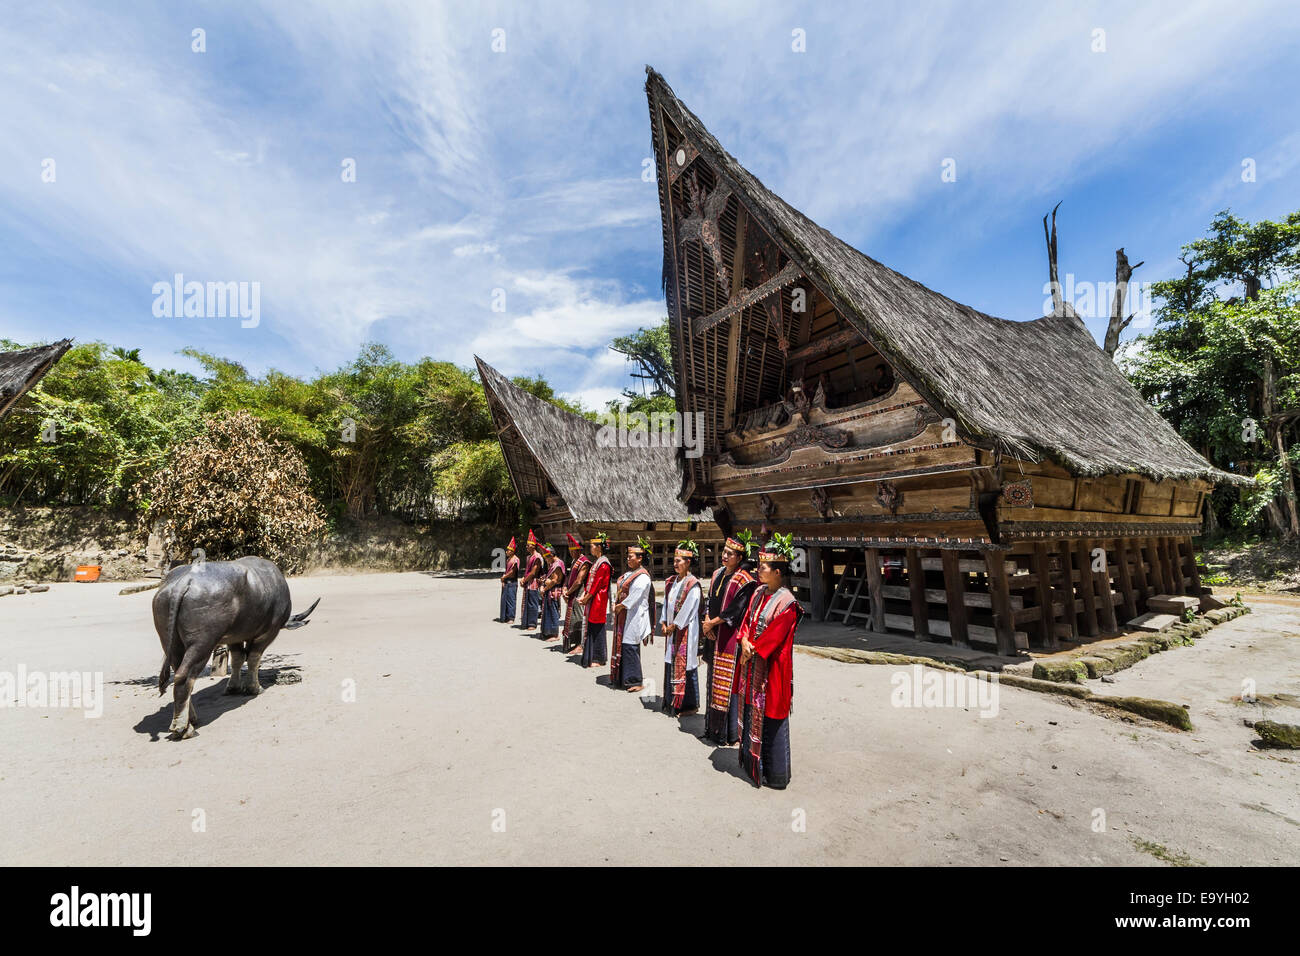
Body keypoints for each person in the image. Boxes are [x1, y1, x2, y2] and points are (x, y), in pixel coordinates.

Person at [735, 533, 804, 789]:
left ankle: (775, 773)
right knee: (752, 711)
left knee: (773, 716)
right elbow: (746, 622)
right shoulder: (758, 593)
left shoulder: (788, 604)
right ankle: (753, 763)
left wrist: (752, 649)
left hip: (771, 668)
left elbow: (774, 636)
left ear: (777, 571)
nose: (758, 570)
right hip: (750, 660)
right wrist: (743, 641)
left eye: (763, 567)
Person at [701, 532, 758, 744]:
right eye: (724, 552)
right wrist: (707, 621)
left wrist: (712, 623)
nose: (725, 556)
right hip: (712, 633)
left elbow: (735, 611)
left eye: (730, 553)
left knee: (728, 683)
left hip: (728, 636)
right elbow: (710, 600)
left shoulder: (745, 581)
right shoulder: (717, 574)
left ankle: (728, 733)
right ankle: (712, 729)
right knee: (712, 679)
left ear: (739, 557)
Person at [660, 540, 702, 716]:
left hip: (685, 631)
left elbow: (689, 608)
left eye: (680, 560)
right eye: (675, 560)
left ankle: (688, 705)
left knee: (686, 665)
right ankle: (672, 701)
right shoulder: (671, 581)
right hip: (671, 630)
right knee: (671, 661)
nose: (676, 564)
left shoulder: (693, 584)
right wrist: (663, 622)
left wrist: (674, 626)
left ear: (688, 562)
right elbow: (665, 604)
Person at [611, 536, 655, 692]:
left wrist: (621, 606)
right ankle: (623, 677)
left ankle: (635, 680)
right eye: (628, 556)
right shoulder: (631, 574)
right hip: (626, 614)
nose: (628, 559)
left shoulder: (642, 576)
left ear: (640, 558)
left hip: (635, 615)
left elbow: (635, 596)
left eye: (631, 557)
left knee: (630, 646)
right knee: (624, 645)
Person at [579, 532, 612, 668]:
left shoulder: (603, 564)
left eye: (592, 546)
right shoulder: (597, 562)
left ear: (599, 547)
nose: (590, 548)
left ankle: (598, 657)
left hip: (598, 600)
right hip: (594, 599)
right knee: (592, 627)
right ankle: (593, 655)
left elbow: (596, 584)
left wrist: (586, 598)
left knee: (597, 627)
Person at [560, 533, 590, 653]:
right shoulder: (574, 562)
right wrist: (564, 588)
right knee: (571, 618)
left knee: (578, 618)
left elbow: (578, 581)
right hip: (572, 593)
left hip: (579, 593)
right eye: (570, 551)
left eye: (573, 551)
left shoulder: (584, 562)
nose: (571, 553)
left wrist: (568, 592)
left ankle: (580, 644)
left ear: (578, 550)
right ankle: (573, 642)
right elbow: (569, 577)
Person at [538, 542, 566, 641]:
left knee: (553, 611)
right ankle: (547, 632)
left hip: (554, 591)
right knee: (548, 611)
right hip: (550, 590)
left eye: (546, 558)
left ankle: (554, 634)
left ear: (551, 555)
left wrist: (544, 589)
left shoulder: (557, 564)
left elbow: (555, 580)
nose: (546, 560)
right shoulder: (553, 563)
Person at [518, 530, 543, 630]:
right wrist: (524, 578)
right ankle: (527, 622)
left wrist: (524, 580)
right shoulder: (529, 557)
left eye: (528, 545)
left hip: (534, 582)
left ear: (534, 545)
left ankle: (532, 623)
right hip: (528, 582)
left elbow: (533, 572)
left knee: (533, 603)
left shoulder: (537, 557)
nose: (527, 546)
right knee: (527, 602)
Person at [498, 536, 520, 623]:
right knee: (505, 599)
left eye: (509, 550)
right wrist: (503, 579)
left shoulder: (515, 559)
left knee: (511, 600)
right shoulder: (508, 560)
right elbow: (507, 571)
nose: (507, 551)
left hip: (512, 582)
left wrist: (504, 577)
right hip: (507, 581)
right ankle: (505, 616)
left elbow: (513, 572)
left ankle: (511, 617)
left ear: (513, 551)